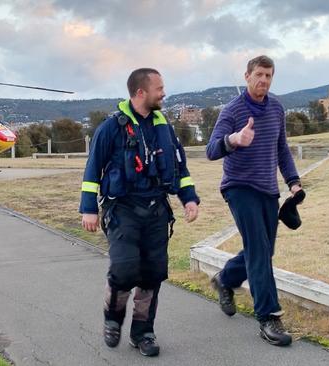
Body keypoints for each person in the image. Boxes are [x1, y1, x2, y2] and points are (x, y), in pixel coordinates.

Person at [80, 68, 200, 357]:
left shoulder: (164, 127)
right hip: (122, 209)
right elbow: (92, 169)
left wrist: (189, 199)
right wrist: (89, 209)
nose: (164, 93)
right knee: (124, 269)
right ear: (140, 93)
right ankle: (113, 319)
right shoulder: (111, 128)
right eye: (159, 88)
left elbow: (179, 168)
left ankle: (143, 331)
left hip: (157, 209)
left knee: (152, 273)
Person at [206, 55, 303, 347]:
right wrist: (234, 139)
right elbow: (211, 150)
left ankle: (225, 278)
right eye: (259, 74)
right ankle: (268, 317)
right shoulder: (232, 111)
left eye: (269, 75)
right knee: (259, 250)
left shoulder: (276, 107)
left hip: (267, 189)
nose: (263, 80)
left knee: (263, 249)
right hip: (238, 188)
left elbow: (282, 149)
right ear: (247, 76)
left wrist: (294, 182)